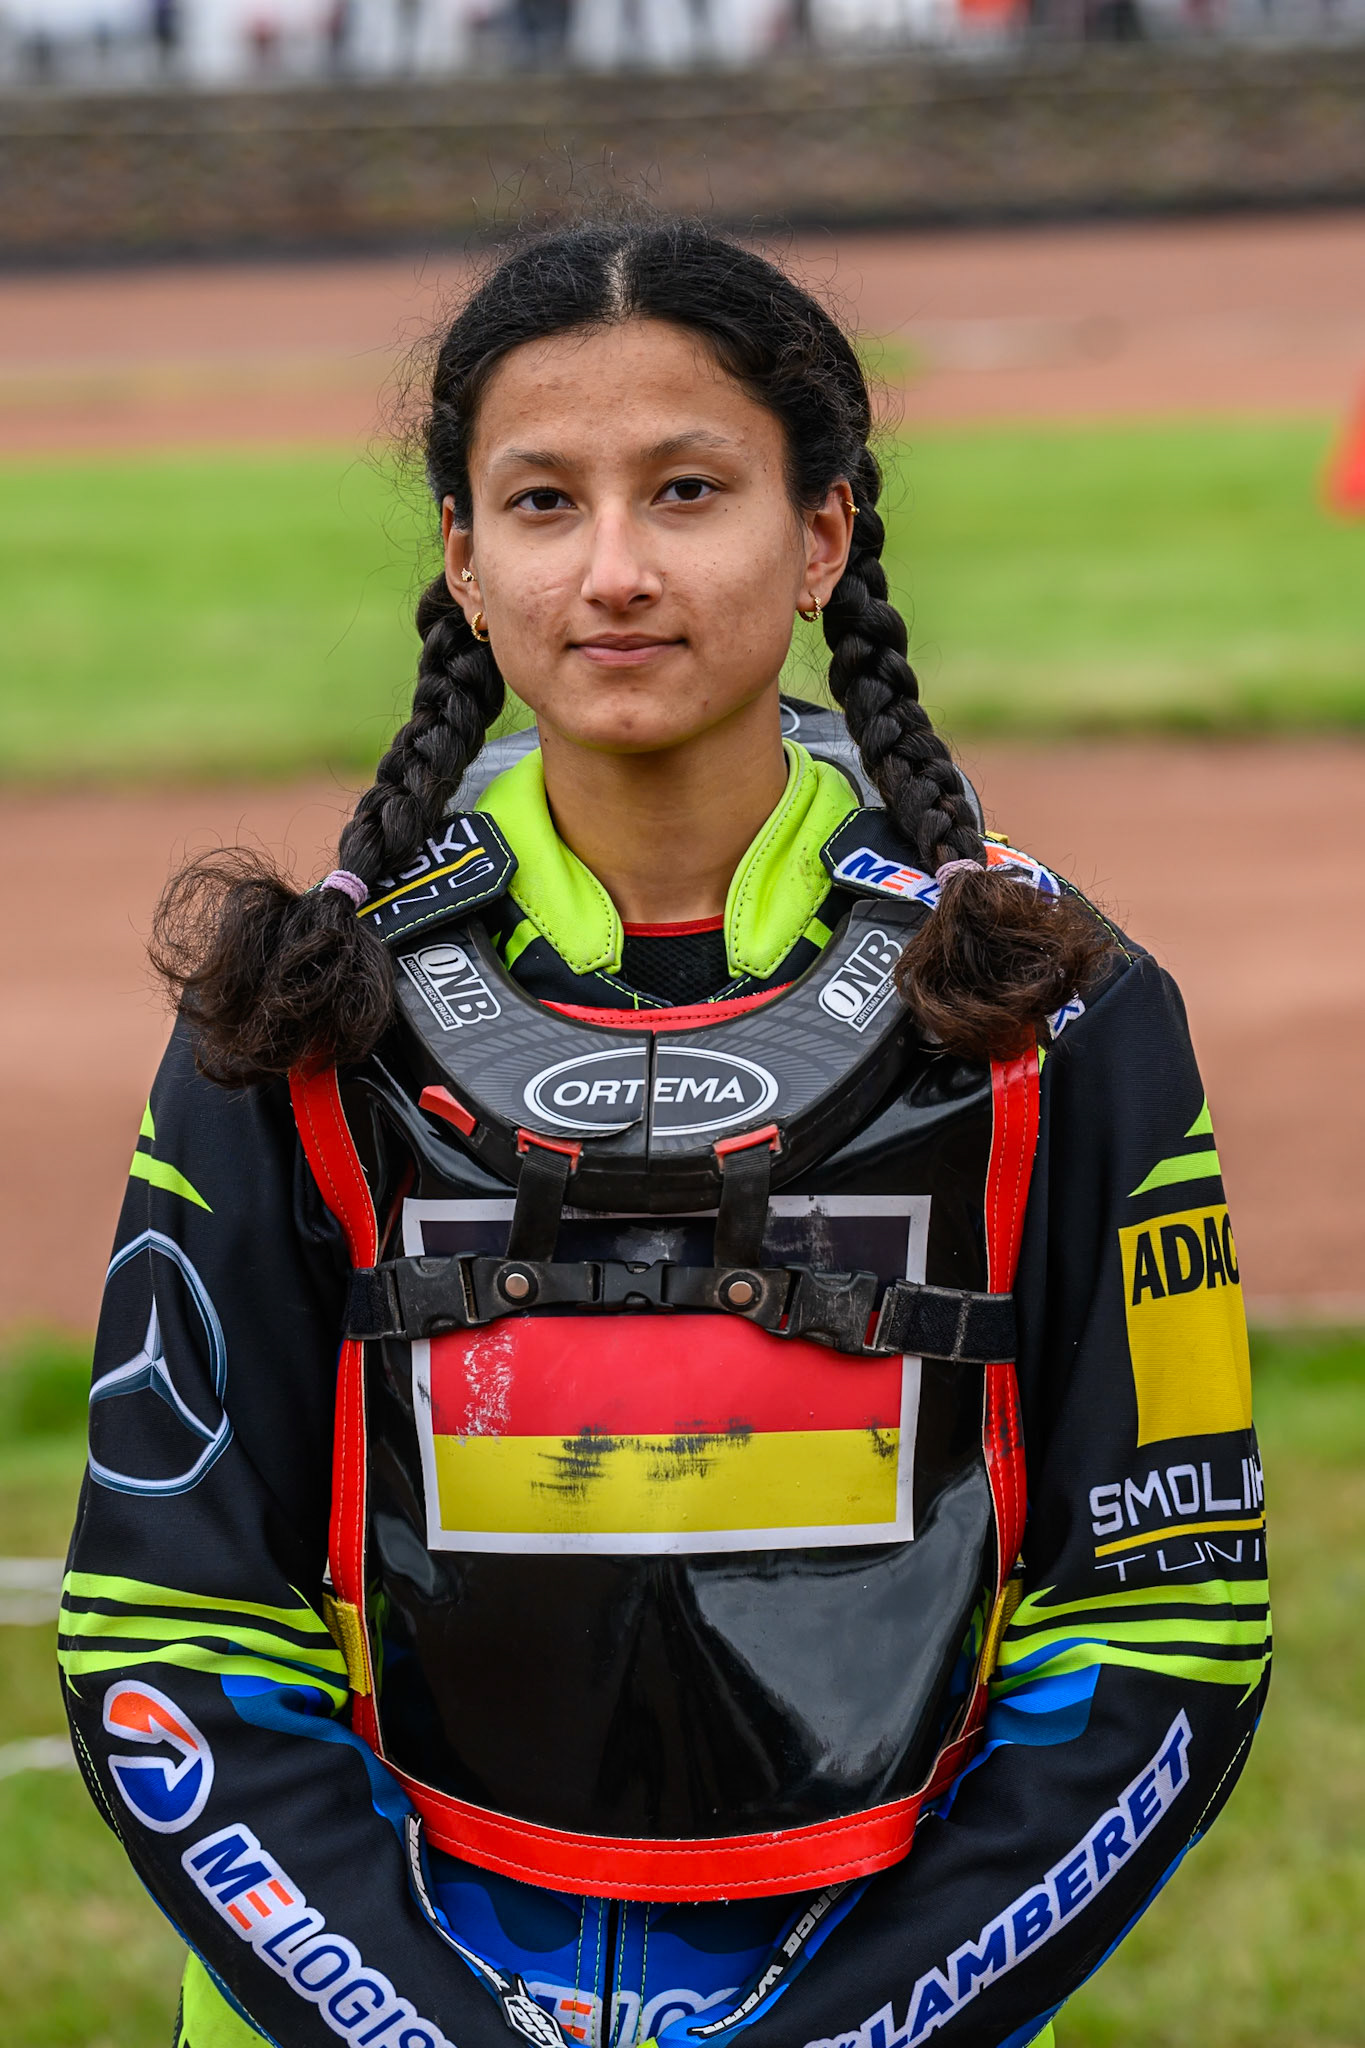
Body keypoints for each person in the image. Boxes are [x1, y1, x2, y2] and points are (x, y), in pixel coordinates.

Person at [61, 218, 1268, 2048]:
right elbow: (170, 1637)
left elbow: (1165, 1646)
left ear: (823, 536)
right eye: (543, 505)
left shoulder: (1056, 1009)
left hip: (875, 1991)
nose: (613, 571)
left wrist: (847, 2030)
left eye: (687, 490)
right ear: (461, 562)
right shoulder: (299, 1015)